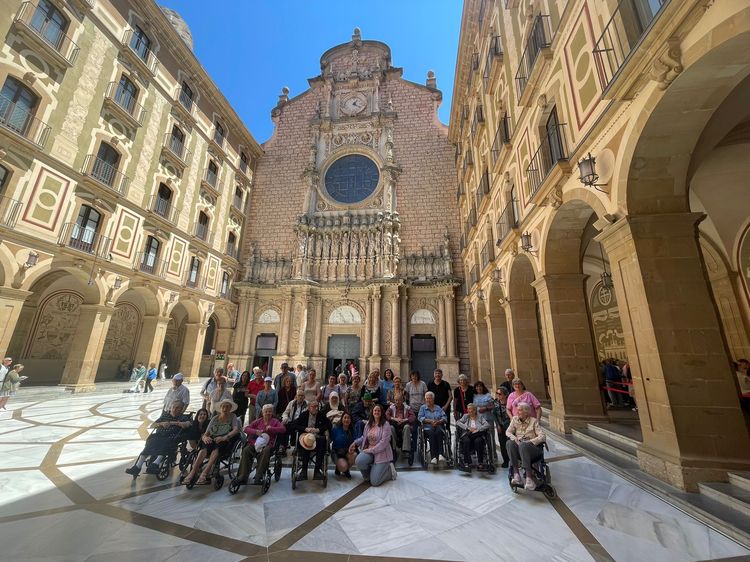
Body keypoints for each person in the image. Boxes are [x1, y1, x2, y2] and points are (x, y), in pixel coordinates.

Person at [183, 399, 240, 486]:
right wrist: (205, 437)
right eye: (223, 406)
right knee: (204, 447)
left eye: (227, 407)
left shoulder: (233, 416)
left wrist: (225, 437)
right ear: (220, 408)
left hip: (224, 440)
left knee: (217, 447)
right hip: (212, 438)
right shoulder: (215, 418)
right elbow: (206, 433)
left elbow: (236, 430)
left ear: (230, 408)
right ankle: (192, 473)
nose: (225, 408)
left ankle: (204, 473)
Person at [126, 400, 191, 476]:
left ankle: (156, 463)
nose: (175, 409)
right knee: (150, 442)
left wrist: (173, 423)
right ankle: (137, 466)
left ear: (182, 409)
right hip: (158, 435)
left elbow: (188, 424)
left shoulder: (183, 417)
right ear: (171, 407)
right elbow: (152, 425)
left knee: (165, 442)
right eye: (174, 407)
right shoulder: (164, 416)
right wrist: (161, 423)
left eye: (178, 408)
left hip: (171, 436)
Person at [235, 404, 286, 485]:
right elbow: (246, 429)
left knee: (265, 451)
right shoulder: (258, 421)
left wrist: (272, 428)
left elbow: (283, 429)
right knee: (246, 450)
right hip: (255, 443)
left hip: (268, 444)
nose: (268, 413)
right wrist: (255, 431)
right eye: (266, 411)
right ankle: (242, 476)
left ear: (272, 412)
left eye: (270, 411)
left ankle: (259, 475)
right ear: (262, 412)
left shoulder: (275, 421)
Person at [351, 404, 396, 486]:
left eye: (379, 410)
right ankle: (369, 475)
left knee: (375, 482)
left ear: (382, 412)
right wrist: (355, 442)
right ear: (372, 412)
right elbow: (364, 437)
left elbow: (383, 443)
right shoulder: (368, 424)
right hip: (370, 450)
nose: (376, 412)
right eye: (375, 410)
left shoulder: (386, 425)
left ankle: (390, 471)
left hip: (382, 453)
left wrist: (370, 450)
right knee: (359, 461)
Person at [506, 402, 546, 490]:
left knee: (523, 445)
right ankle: (516, 475)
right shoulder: (515, 419)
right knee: (509, 443)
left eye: (520, 410)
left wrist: (530, 442)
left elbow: (542, 436)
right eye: (517, 409)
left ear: (526, 412)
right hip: (520, 449)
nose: (517, 412)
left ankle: (529, 478)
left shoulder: (533, 421)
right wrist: (514, 438)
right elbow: (508, 432)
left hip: (533, 450)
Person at [292, 400, 331, 480]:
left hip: (317, 438)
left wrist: (318, 430)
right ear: (309, 408)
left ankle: (317, 471)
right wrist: (305, 429)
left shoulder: (321, 415)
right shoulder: (304, 415)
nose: (316, 408)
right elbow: (294, 425)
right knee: (307, 443)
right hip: (306, 438)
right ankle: (304, 471)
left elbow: (329, 425)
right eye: (313, 406)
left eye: (317, 406)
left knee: (322, 440)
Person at [456, 403, 490, 471]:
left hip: (477, 435)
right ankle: (467, 463)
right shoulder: (465, 416)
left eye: (470, 409)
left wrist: (478, 429)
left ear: (475, 410)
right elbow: (458, 422)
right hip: (467, 434)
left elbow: (487, 425)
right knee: (466, 440)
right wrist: (467, 428)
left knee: (478, 441)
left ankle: (480, 463)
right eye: (468, 409)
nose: (469, 410)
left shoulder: (480, 417)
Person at [418, 391, 447, 465]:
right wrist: (430, 421)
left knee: (439, 432)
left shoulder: (438, 407)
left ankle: (440, 454)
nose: (428, 400)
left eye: (430, 398)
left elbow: (444, 417)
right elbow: (420, 417)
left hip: (438, 426)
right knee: (431, 433)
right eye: (427, 398)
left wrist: (439, 421)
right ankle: (433, 457)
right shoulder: (423, 408)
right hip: (427, 428)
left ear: (433, 399)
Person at [386, 392, 416, 462]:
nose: (397, 402)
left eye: (399, 400)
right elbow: (386, 416)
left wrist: (404, 420)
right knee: (390, 427)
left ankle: (406, 450)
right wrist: (394, 418)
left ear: (402, 400)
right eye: (396, 400)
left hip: (404, 428)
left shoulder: (407, 407)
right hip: (395, 427)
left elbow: (413, 417)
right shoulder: (391, 407)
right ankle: (393, 450)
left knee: (407, 427)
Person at [473, 380, 497, 460]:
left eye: (480, 386)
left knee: (490, 437)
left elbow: (493, 406)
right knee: (479, 438)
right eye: (477, 386)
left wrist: (486, 408)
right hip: (478, 421)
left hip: (488, 419)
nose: (479, 388)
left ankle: (493, 455)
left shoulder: (488, 395)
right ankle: (482, 455)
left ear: (483, 387)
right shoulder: (474, 396)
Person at [331, 411, 355, 477]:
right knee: (343, 466)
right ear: (342, 419)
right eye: (345, 418)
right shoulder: (335, 429)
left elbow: (355, 441)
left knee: (354, 455)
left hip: (348, 452)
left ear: (351, 420)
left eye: (348, 418)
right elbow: (330, 440)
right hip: (337, 452)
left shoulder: (353, 429)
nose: (346, 420)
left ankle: (346, 470)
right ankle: (340, 468)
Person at [494, 387, 511, 468]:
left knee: (510, 443)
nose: (498, 395)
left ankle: (514, 459)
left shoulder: (509, 402)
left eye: (500, 394)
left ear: (505, 395)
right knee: (502, 443)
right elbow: (494, 414)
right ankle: (506, 460)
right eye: (497, 393)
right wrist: (497, 424)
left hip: (510, 425)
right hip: (500, 425)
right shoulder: (495, 402)